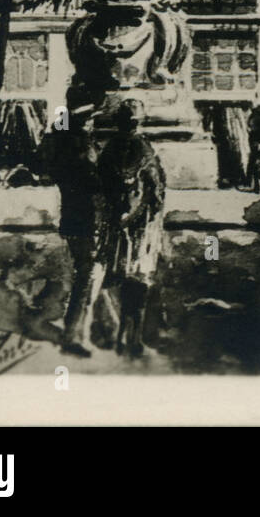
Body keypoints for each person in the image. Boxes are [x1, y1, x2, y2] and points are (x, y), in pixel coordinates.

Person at [97, 99, 166, 358]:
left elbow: (100, 188)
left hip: (119, 226)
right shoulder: (144, 150)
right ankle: (129, 335)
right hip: (137, 228)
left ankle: (123, 334)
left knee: (120, 279)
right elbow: (157, 192)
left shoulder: (111, 149)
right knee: (136, 281)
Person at [40, 86, 105, 358]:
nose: (93, 120)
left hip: (72, 213)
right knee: (88, 274)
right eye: (90, 115)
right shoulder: (78, 141)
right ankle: (73, 334)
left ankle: (103, 325)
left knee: (89, 270)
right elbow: (92, 176)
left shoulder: (60, 136)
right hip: (88, 215)